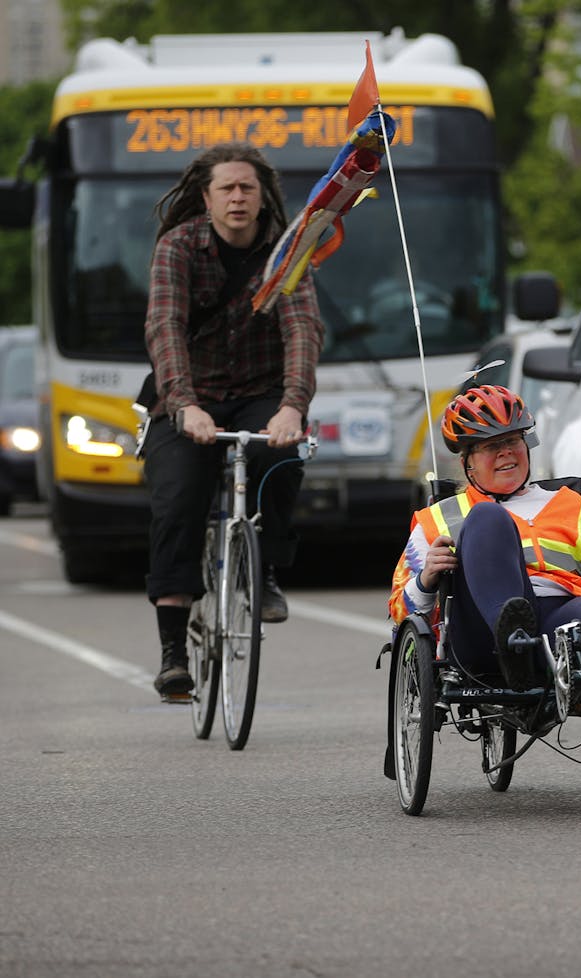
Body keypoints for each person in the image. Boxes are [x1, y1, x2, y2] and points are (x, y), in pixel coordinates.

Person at [388, 383, 581, 758]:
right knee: (488, 516)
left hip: (559, 624)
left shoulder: (567, 505)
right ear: (468, 462)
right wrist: (427, 579)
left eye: (514, 441)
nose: (507, 452)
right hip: (480, 634)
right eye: (493, 446)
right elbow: (399, 612)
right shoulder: (440, 518)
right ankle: (513, 642)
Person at [145, 143, 324, 698]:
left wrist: (293, 405)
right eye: (227, 188)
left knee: (280, 455)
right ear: (207, 196)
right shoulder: (178, 247)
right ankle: (174, 652)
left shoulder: (287, 250)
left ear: (262, 194)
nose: (239, 197)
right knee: (178, 499)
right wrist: (183, 403)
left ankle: (265, 568)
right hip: (187, 395)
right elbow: (164, 328)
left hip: (260, 390)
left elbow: (302, 330)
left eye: (247, 187)